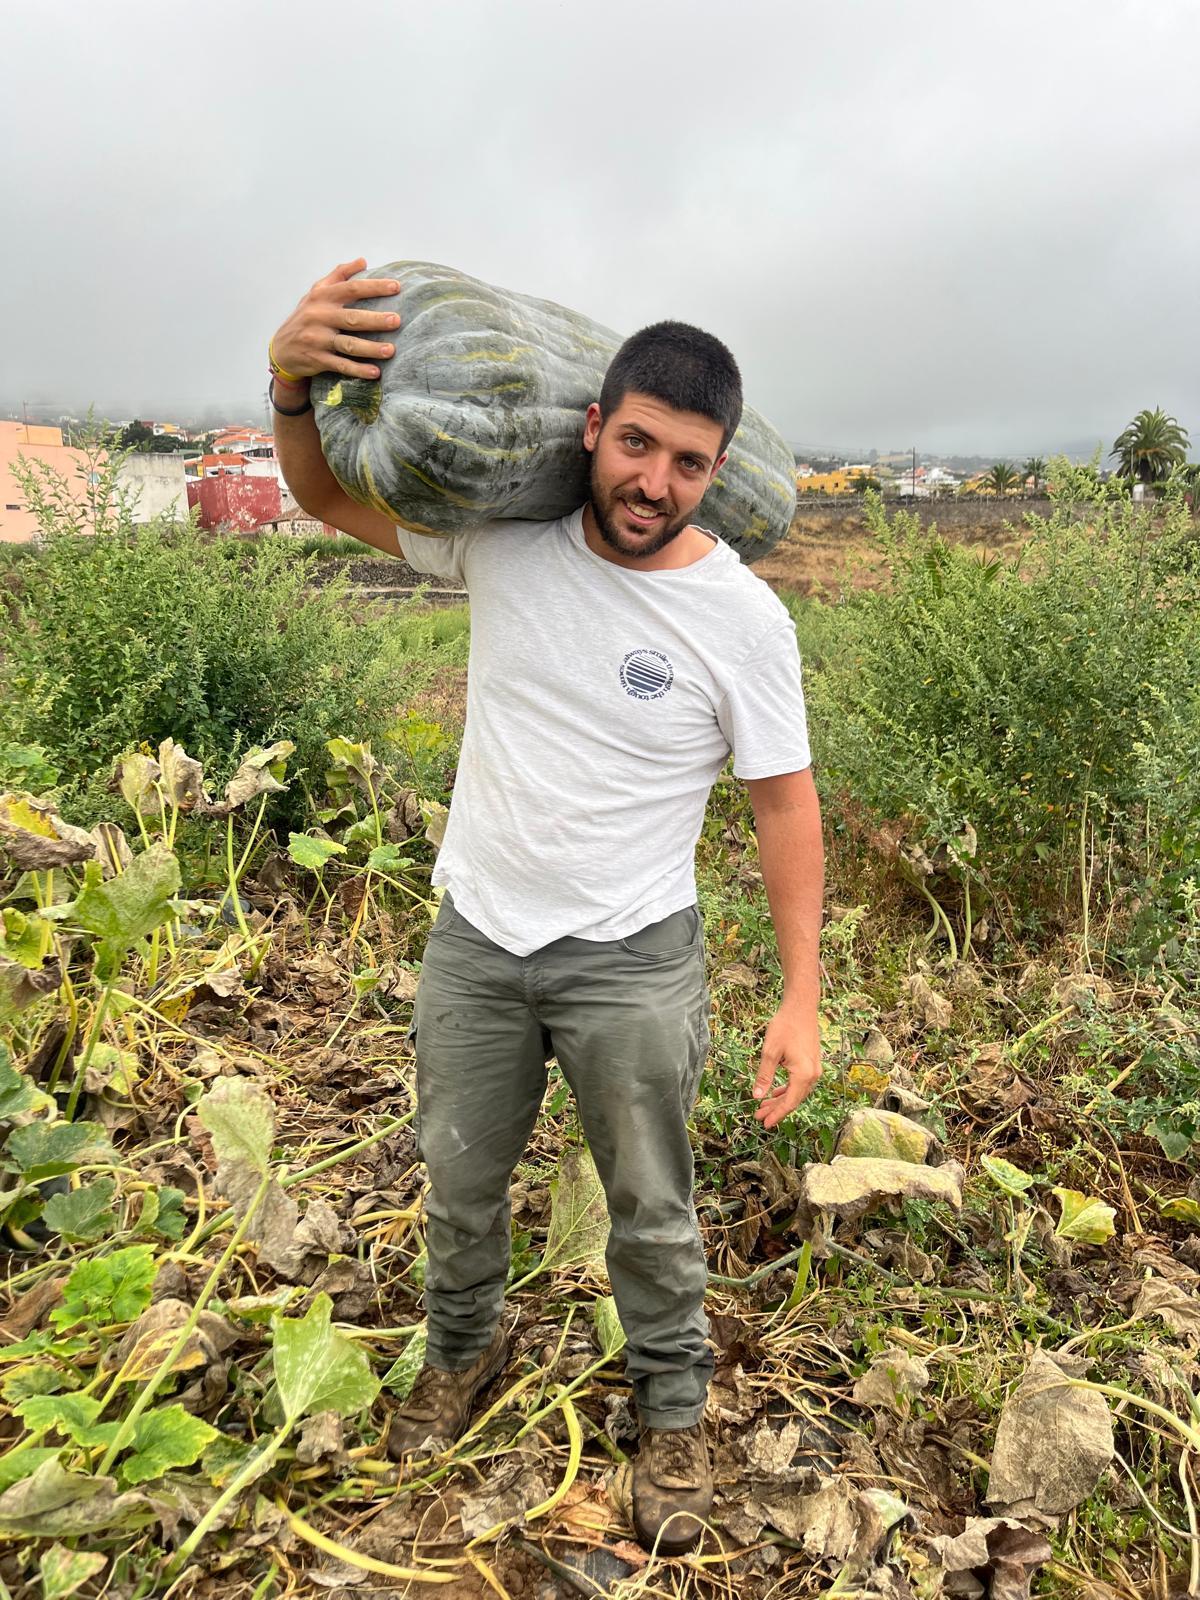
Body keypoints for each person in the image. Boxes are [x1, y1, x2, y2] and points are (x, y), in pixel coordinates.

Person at [269, 258, 824, 1555]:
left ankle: (673, 1412)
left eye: (690, 463)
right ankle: (462, 1352)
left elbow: (787, 809)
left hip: (633, 961)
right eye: (636, 444)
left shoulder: (741, 618)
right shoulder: (501, 544)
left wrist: (801, 995)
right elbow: (319, 495)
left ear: (719, 470)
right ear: (592, 427)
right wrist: (291, 381)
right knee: (458, 1188)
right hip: (478, 942)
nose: (654, 482)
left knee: (651, 1205)